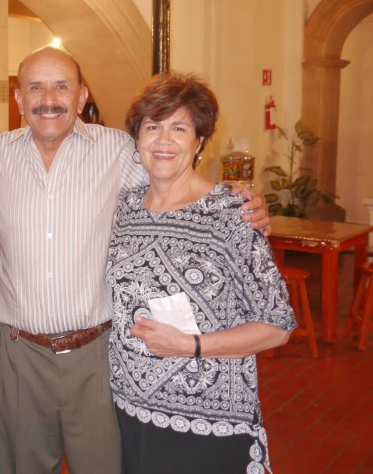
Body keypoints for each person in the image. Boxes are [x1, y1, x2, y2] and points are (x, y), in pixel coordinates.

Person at [0, 46, 271, 474]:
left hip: (97, 354)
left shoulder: (120, 150)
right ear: (19, 98)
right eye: (35, 87)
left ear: (82, 96)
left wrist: (237, 205)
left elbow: (174, 180)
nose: (49, 98)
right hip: (18, 354)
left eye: (62, 86)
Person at [108, 71, 296, 473]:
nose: (163, 140)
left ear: (199, 142)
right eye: (152, 127)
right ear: (136, 138)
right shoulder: (123, 208)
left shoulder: (230, 214)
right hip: (129, 411)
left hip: (208, 424)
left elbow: (278, 325)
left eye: (179, 128)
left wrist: (191, 345)